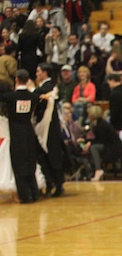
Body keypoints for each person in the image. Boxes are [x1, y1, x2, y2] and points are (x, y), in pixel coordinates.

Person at [0, 69, 48, 203]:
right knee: (30, 164)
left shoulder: (10, 97)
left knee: (19, 165)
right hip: (29, 133)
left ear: (16, 80)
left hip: (16, 135)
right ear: (28, 80)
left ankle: (25, 195)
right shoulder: (33, 97)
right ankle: (34, 193)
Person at [34, 62, 66, 197]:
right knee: (44, 155)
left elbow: (38, 94)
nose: (36, 74)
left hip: (50, 127)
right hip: (43, 126)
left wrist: (32, 91)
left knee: (52, 154)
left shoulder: (49, 86)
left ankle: (58, 184)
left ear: (45, 73)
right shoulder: (44, 86)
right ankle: (50, 182)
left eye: (38, 71)